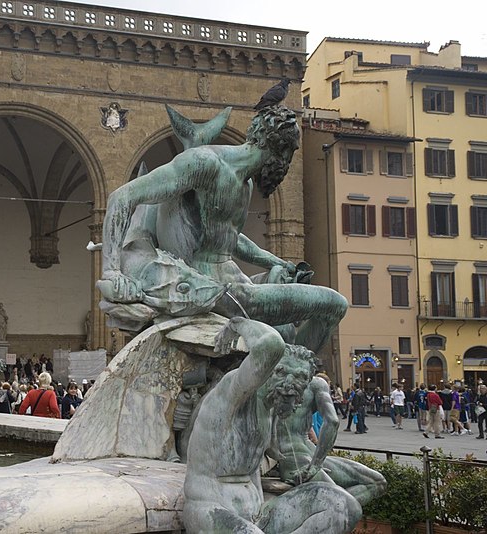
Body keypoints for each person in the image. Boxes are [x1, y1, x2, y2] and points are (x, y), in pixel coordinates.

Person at [97, 106, 348, 355]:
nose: (287, 163)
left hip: (235, 286)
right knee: (334, 304)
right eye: (289, 153)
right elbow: (122, 197)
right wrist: (112, 270)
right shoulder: (206, 163)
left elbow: (231, 239)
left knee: (287, 330)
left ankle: (283, 376)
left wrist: (279, 262)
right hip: (210, 287)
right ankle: (285, 372)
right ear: (280, 149)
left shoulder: (245, 184)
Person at [182, 317, 360, 533]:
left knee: (344, 506)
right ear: (265, 371)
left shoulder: (271, 409)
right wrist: (236, 325)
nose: (291, 383)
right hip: (210, 507)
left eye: (301, 377)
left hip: (256, 512)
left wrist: (311, 464)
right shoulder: (235, 390)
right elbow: (270, 345)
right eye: (282, 372)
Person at [275, 373, 386, 507]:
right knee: (376, 483)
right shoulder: (314, 384)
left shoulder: (273, 380)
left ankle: (329, 512)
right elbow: (332, 421)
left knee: (372, 485)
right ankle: (335, 511)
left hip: (304, 457)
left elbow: (332, 422)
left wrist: (316, 464)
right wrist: (316, 463)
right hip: (297, 459)